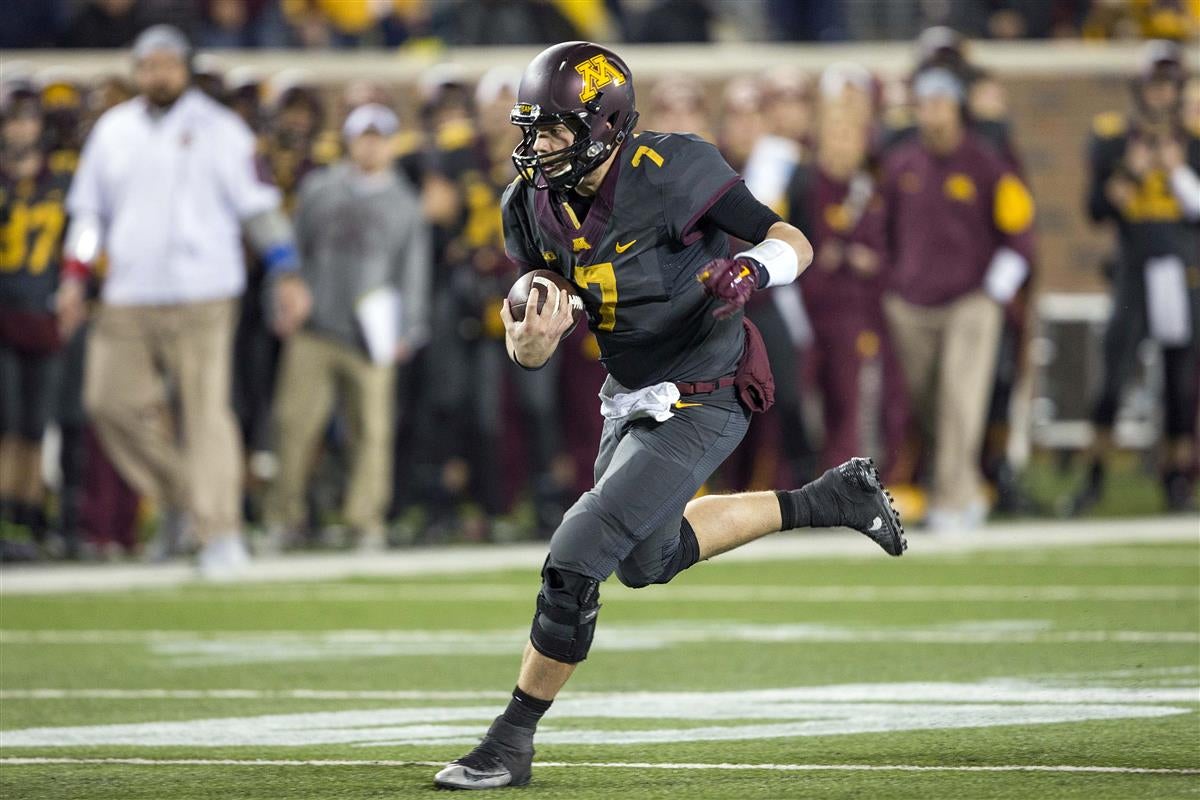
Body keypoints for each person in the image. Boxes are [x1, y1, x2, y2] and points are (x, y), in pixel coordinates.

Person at [433, 41, 906, 791]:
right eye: (535, 128)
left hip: (711, 382)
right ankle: (828, 499)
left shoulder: (673, 168)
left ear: (605, 124)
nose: (538, 145)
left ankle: (509, 740)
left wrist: (751, 269)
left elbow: (793, 239)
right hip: (630, 390)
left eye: (556, 128)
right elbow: (534, 349)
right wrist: (531, 341)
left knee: (576, 553)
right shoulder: (527, 207)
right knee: (645, 561)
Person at [56, 25, 312, 578]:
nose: (159, 74)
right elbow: (88, 215)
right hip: (127, 292)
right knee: (107, 401)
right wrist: (76, 275)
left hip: (204, 293)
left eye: (169, 64)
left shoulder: (221, 129)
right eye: (149, 65)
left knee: (205, 413)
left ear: (186, 69)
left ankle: (219, 532)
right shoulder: (113, 130)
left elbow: (259, 207)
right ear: (135, 69)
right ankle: (183, 498)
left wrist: (286, 270)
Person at [265, 103, 430, 551]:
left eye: (380, 136)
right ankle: (284, 516)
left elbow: (412, 270)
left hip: (371, 336)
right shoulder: (320, 188)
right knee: (293, 426)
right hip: (315, 326)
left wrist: (407, 328)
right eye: (365, 136)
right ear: (351, 140)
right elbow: (290, 255)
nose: (372, 145)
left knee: (372, 433)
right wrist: (280, 305)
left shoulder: (404, 202)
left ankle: (366, 520)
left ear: (392, 143)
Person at [879, 68, 1035, 531]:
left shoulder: (988, 164)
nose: (932, 112)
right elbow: (880, 230)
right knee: (923, 402)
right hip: (909, 304)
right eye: (925, 102)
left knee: (959, 400)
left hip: (969, 301)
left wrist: (994, 292)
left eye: (941, 102)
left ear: (957, 106)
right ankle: (957, 484)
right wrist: (890, 285)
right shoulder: (901, 164)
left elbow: (1021, 234)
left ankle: (952, 499)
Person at [1068, 40, 1200, 514]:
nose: (1161, 94)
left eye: (1169, 84)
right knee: (1113, 378)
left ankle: (1176, 480)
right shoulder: (1113, 137)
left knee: (1181, 381)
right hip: (1133, 270)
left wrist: (1178, 171)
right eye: (1154, 83)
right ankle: (1095, 474)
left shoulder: (1192, 139)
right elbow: (1096, 209)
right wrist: (1129, 171)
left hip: (1181, 272)